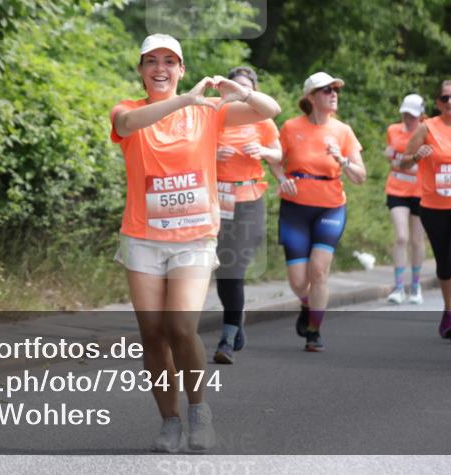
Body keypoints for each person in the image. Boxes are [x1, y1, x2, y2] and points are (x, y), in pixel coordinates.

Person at [110, 34, 281, 452]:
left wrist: (238, 90)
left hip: (193, 238)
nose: (161, 68)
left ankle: (199, 410)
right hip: (143, 237)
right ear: (141, 70)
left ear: (182, 68)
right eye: (152, 61)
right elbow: (126, 127)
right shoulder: (128, 110)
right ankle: (170, 421)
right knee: (151, 333)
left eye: (170, 61)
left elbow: (269, 110)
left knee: (180, 326)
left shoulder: (210, 112)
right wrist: (185, 100)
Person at [275, 72, 367, 352]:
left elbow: (360, 176)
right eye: (326, 90)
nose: (333, 94)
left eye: (335, 89)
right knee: (298, 281)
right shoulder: (291, 127)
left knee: (319, 270)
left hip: (330, 206)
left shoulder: (343, 131)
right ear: (311, 97)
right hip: (294, 209)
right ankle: (307, 303)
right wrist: (281, 178)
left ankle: (314, 331)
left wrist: (343, 160)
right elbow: (275, 160)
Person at [212, 66, 282, 365]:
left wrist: (264, 151)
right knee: (216, 271)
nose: (239, 93)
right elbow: (189, 151)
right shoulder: (214, 115)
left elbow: (279, 155)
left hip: (249, 198)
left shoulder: (262, 119)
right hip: (214, 197)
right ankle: (235, 322)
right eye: (234, 87)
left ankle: (227, 339)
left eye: (245, 88)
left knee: (233, 269)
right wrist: (212, 154)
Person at [401, 81, 451, 342]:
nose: (450, 103)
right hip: (433, 207)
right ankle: (449, 308)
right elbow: (403, 161)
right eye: (445, 99)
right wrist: (417, 156)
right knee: (443, 263)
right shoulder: (426, 128)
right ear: (438, 103)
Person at [384, 94, 427, 304]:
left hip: (420, 192)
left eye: (412, 115)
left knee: (417, 240)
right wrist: (390, 155)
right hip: (396, 189)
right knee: (401, 237)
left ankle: (416, 286)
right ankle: (399, 287)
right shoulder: (393, 130)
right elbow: (391, 153)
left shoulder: (428, 132)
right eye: (405, 114)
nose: (408, 119)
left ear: (421, 115)